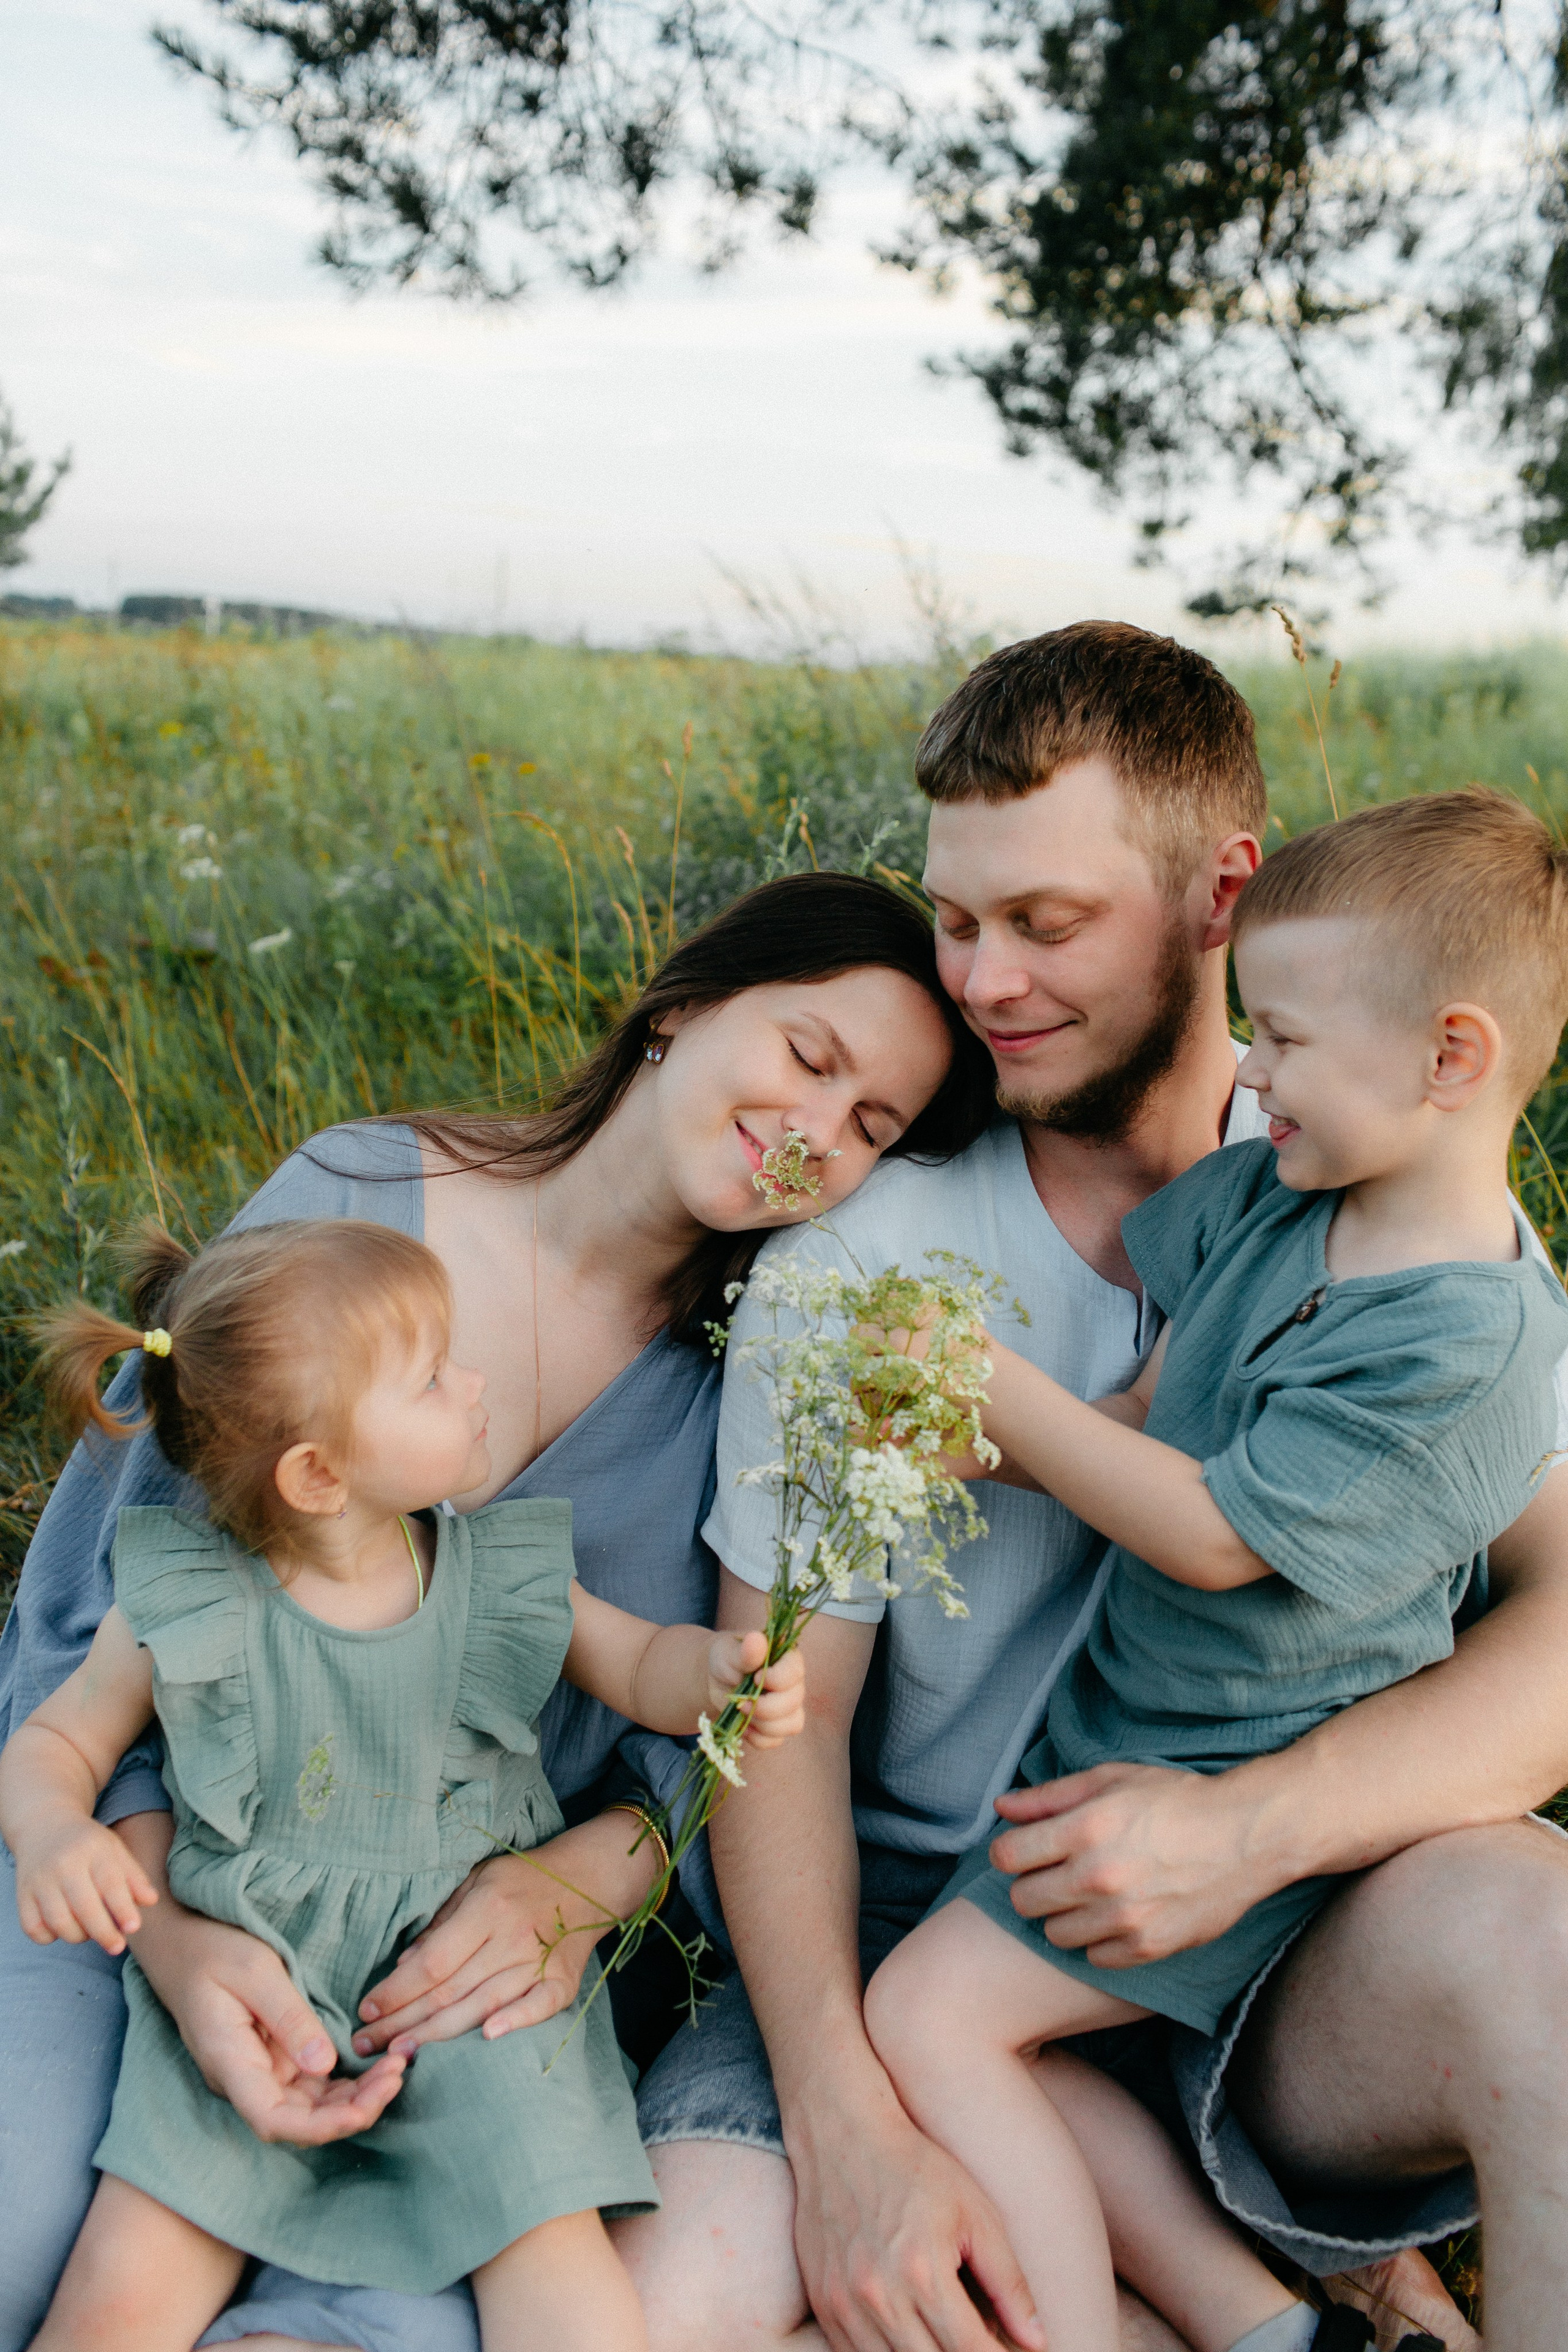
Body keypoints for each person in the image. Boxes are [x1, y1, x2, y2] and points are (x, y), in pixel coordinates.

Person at [620, 625, 1568, 2352]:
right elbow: (784, 1715)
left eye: (1047, 925)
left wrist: (1249, 1832)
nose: (983, 983)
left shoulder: (1397, 1202)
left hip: (1279, 1942)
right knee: (684, 2310)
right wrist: (843, 2131)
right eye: (958, 922)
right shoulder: (867, 1257)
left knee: (1544, 1952)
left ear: (1224, 893)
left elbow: (1566, 1633)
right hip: (916, 1944)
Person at [0, 871, 995, 2352]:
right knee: (26, 2247)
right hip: (151, 1887)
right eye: (807, 1056)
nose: (814, 1135)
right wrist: (179, 1947)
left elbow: (694, 1749)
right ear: (681, 1008)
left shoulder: (747, 1370)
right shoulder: (356, 1198)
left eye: (870, 1130)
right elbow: (98, 1617)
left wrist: (568, 1891)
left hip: (450, 1971)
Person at [863, 790, 1568, 2352]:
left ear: (1452, 1059)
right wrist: (966, 1441)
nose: (1248, 1072)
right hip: (1117, 1750)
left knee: (924, 2019)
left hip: (1246, 1795)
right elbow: (1142, 1418)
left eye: (1286, 1038)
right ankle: (1268, 2329)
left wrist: (999, 1392)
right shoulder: (1272, 1198)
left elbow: (1203, 1528)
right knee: (1019, 2055)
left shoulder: (1466, 1339)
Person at [3, 1215, 809, 2351]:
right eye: (432, 1378)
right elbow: (57, 1742)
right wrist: (49, 1831)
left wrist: (719, 1673)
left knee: (559, 2265)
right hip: (255, 1993)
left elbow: (637, 1663)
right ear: (319, 1474)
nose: (474, 1383)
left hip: (470, 1987)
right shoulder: (185, 1604)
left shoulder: (494, 1574)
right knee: (125, 2289)